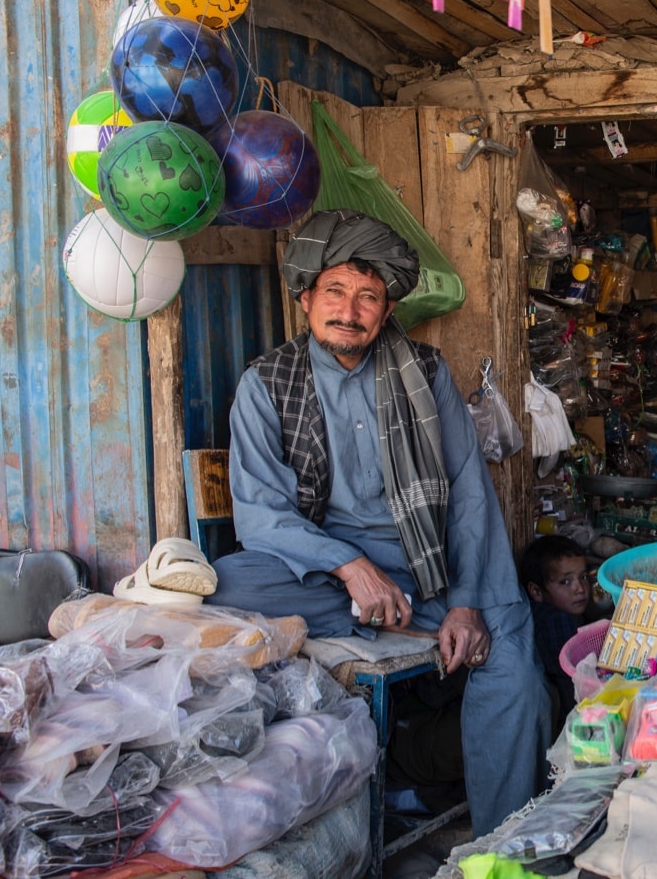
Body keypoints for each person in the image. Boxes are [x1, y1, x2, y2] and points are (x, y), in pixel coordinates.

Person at [205, 209, 550, 836]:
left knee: (514, 670)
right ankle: (369, 611)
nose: (350, 309)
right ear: (307, 298)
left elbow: (469, 494)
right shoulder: (267, 383)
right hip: (328, 571)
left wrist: (467, 604)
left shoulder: (424, 372)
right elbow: (261, 516)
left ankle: (506, 843)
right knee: (224, 584)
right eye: (335, 291)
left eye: (368, 297)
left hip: (431, 568)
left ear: (386, 310)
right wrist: (349, 565)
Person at [518, 535, 591, 732]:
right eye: (565, 581)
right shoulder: (556, 620)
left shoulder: (535, 611)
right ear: (537, 591)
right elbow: (571, 684)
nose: (580, 589)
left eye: (583, 577)